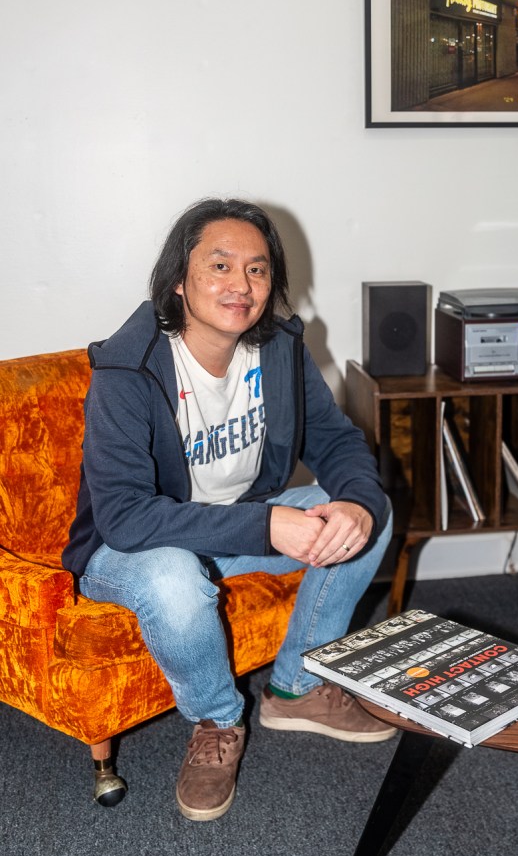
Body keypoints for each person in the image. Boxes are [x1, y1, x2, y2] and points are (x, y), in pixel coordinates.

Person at [62, 197, 396, 822]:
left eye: (258, 269)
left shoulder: (278, 350)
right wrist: (269, 524)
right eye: (219, 265)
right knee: (172, 579)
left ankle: (296, 687)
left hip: (234, 522)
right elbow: (127, 518)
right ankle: (217, 720)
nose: (240, 285)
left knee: (364, 513)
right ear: (179, 282)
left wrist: (351, 502)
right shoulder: (127, 369)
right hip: (127, 549)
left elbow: (335, 438)